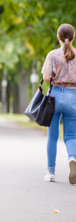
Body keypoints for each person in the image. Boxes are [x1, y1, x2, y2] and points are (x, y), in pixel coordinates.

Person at [41, 23, 76, 184]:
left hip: (55, 96)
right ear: (73, 37)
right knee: (71, 136)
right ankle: (72, 159)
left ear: (58, 37)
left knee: (53, 136)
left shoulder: (53, 55)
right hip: (73, 97)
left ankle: (51, 173)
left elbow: (47, 78)